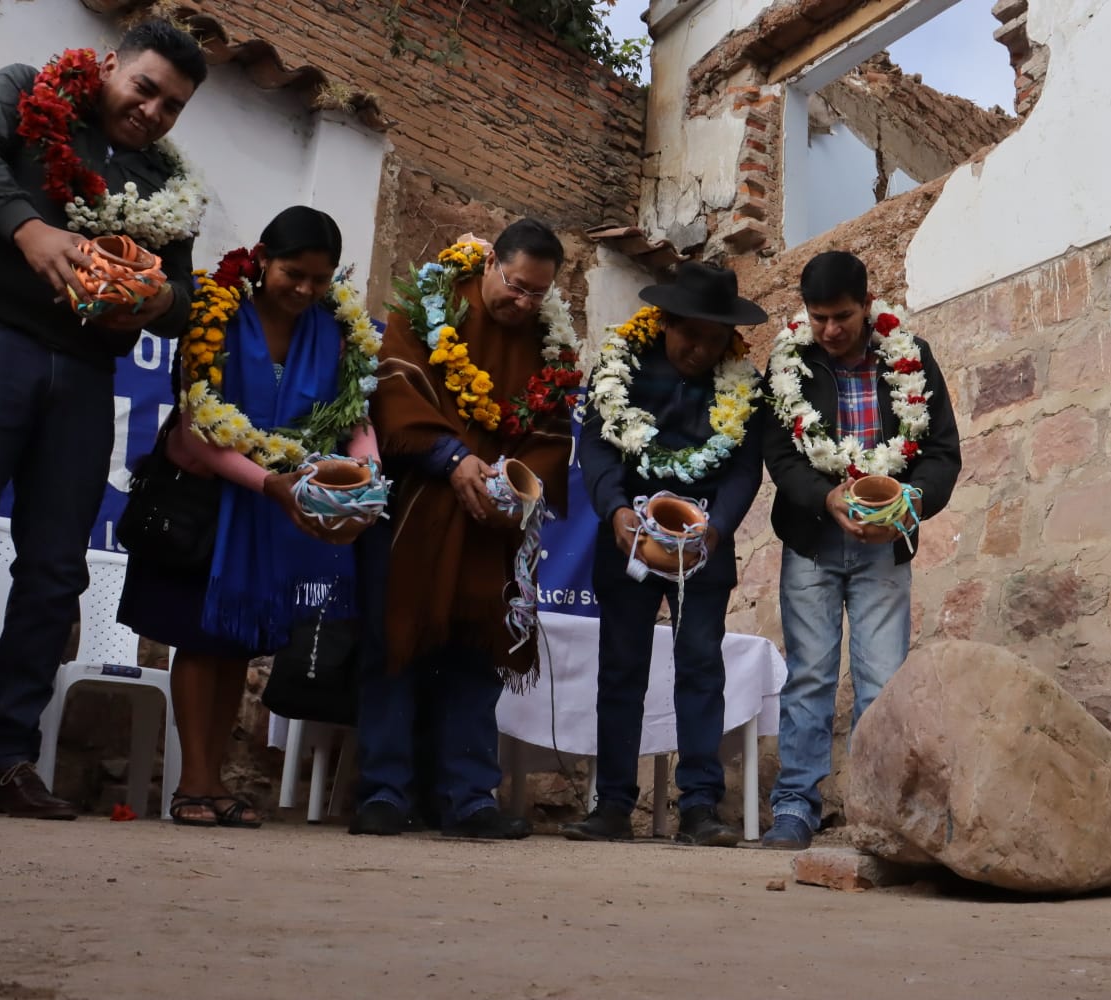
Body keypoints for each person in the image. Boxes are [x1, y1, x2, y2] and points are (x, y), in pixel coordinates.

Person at [0, 21, 208, 819]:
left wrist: (150, 299)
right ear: (109, 66)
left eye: (171, 106)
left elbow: (181, 300)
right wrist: (26, 228)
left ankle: (7, 759)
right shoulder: (26, 93)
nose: (152, 112)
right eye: (144, 88)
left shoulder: (167, 181)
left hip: (85, 376)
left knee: (54, 569)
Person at [117, 206, 380, 826]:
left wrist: (367, 476)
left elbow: (355, 418)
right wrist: (272, 483)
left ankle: (212, 785)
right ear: (262, 259)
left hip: (274, 507)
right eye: (293, 273)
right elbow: (197, 428)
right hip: (210, 501)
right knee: (200, 638)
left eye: (320, 280)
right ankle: (195, 783)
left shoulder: (335, 330)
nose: (306, 290)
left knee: (237, 644)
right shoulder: (215, 314)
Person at [350, 219, 577, 839]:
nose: (523, 302)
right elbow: (393, 386)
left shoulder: (550, 343)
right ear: (489, 266)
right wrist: (451, 460)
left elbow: (553, 439)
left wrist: (517, 489)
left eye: (538, 293)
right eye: (515, 285)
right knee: (394, 644)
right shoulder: (434, 305)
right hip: (417, 507)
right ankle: (384, 791)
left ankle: (469, 798)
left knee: (477, 657)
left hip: (491, 525)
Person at [760, 250, 961, 850]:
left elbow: (944, 455)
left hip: (884, 548)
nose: (829, 330)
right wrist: (827, 501)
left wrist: (907, 505)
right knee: (810, 676)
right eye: (818, 317)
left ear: (868, 305)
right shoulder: (789, 362)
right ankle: (795, 807)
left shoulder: (911, 358)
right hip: (813, 545)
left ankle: (875, 815)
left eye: (842, 316)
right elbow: (782, 456)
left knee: (882, 683)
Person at [562, 262, 767, 847]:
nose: (699, 350)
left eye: (713, 339)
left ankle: (701, 806)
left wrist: (719, 528)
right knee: (621, 668)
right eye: (689, 336)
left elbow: (743, 469)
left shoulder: (742, 387)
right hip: (627, 535)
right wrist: (616, 511)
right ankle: (613, 805)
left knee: (700, 668)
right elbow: (598, 450)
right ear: (666, 322)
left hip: (702, 547)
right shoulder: (619, 369)